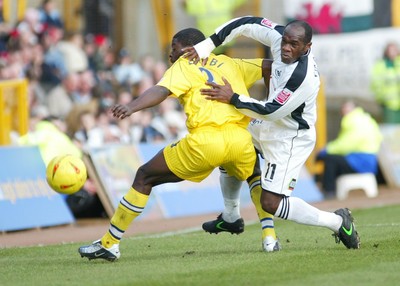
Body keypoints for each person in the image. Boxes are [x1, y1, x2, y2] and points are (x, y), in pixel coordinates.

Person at [78, 27, 275, 261]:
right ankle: (269, 238)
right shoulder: (229, 62)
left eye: (174, 47)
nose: (171, 54)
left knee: (145, 176)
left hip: (205, 142)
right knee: (253, 174)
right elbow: (269, 65)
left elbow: (161, 90)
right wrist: (272, 103)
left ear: (191, 49)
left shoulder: (184, 64)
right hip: (240, 139)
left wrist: (132, 106)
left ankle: (109, 243)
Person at [184, 16, 361, 249]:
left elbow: (271, 110)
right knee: (229, 139)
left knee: (271, 202)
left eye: (293, 44)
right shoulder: (280, 38)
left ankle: (338, 222)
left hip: (289, 138)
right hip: (269, 126)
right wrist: (206, 46)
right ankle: (231, 216)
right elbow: (244, 23)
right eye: (284, 41)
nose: (286, 48)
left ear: (307, 47)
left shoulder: (302, 77)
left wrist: (233, 98)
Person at [316, 101, 383, 199]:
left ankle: (328, 192)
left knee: (329, 159)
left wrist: (326, 150)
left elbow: (346, 144)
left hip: (358, 161)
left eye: (345, 108)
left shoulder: (351, 120)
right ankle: (330, 190)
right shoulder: (367, 118)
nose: (343, 111)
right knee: (336, 160)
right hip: (371, 161)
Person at [370, 42, 400, 123]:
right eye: (391, 50)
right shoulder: (381, 65)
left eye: (395, 50)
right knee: (391, 130)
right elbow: (376, 84)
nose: (393, 52)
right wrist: (381, 98)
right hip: (388, 105)